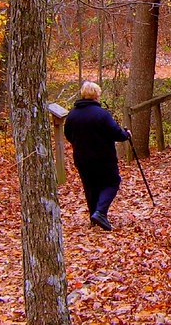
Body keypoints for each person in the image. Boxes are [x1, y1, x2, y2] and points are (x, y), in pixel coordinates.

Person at [63, 81, 130, 231]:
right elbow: (116, 133)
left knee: (90, 186)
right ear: (96, 95)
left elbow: (68, 134)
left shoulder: (72, 115)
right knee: (112, 182)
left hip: (82, 158)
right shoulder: (102, 114)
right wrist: (126, 134)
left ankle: (95, 217)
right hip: (103, 157)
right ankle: (100, 212)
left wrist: (79, 143)